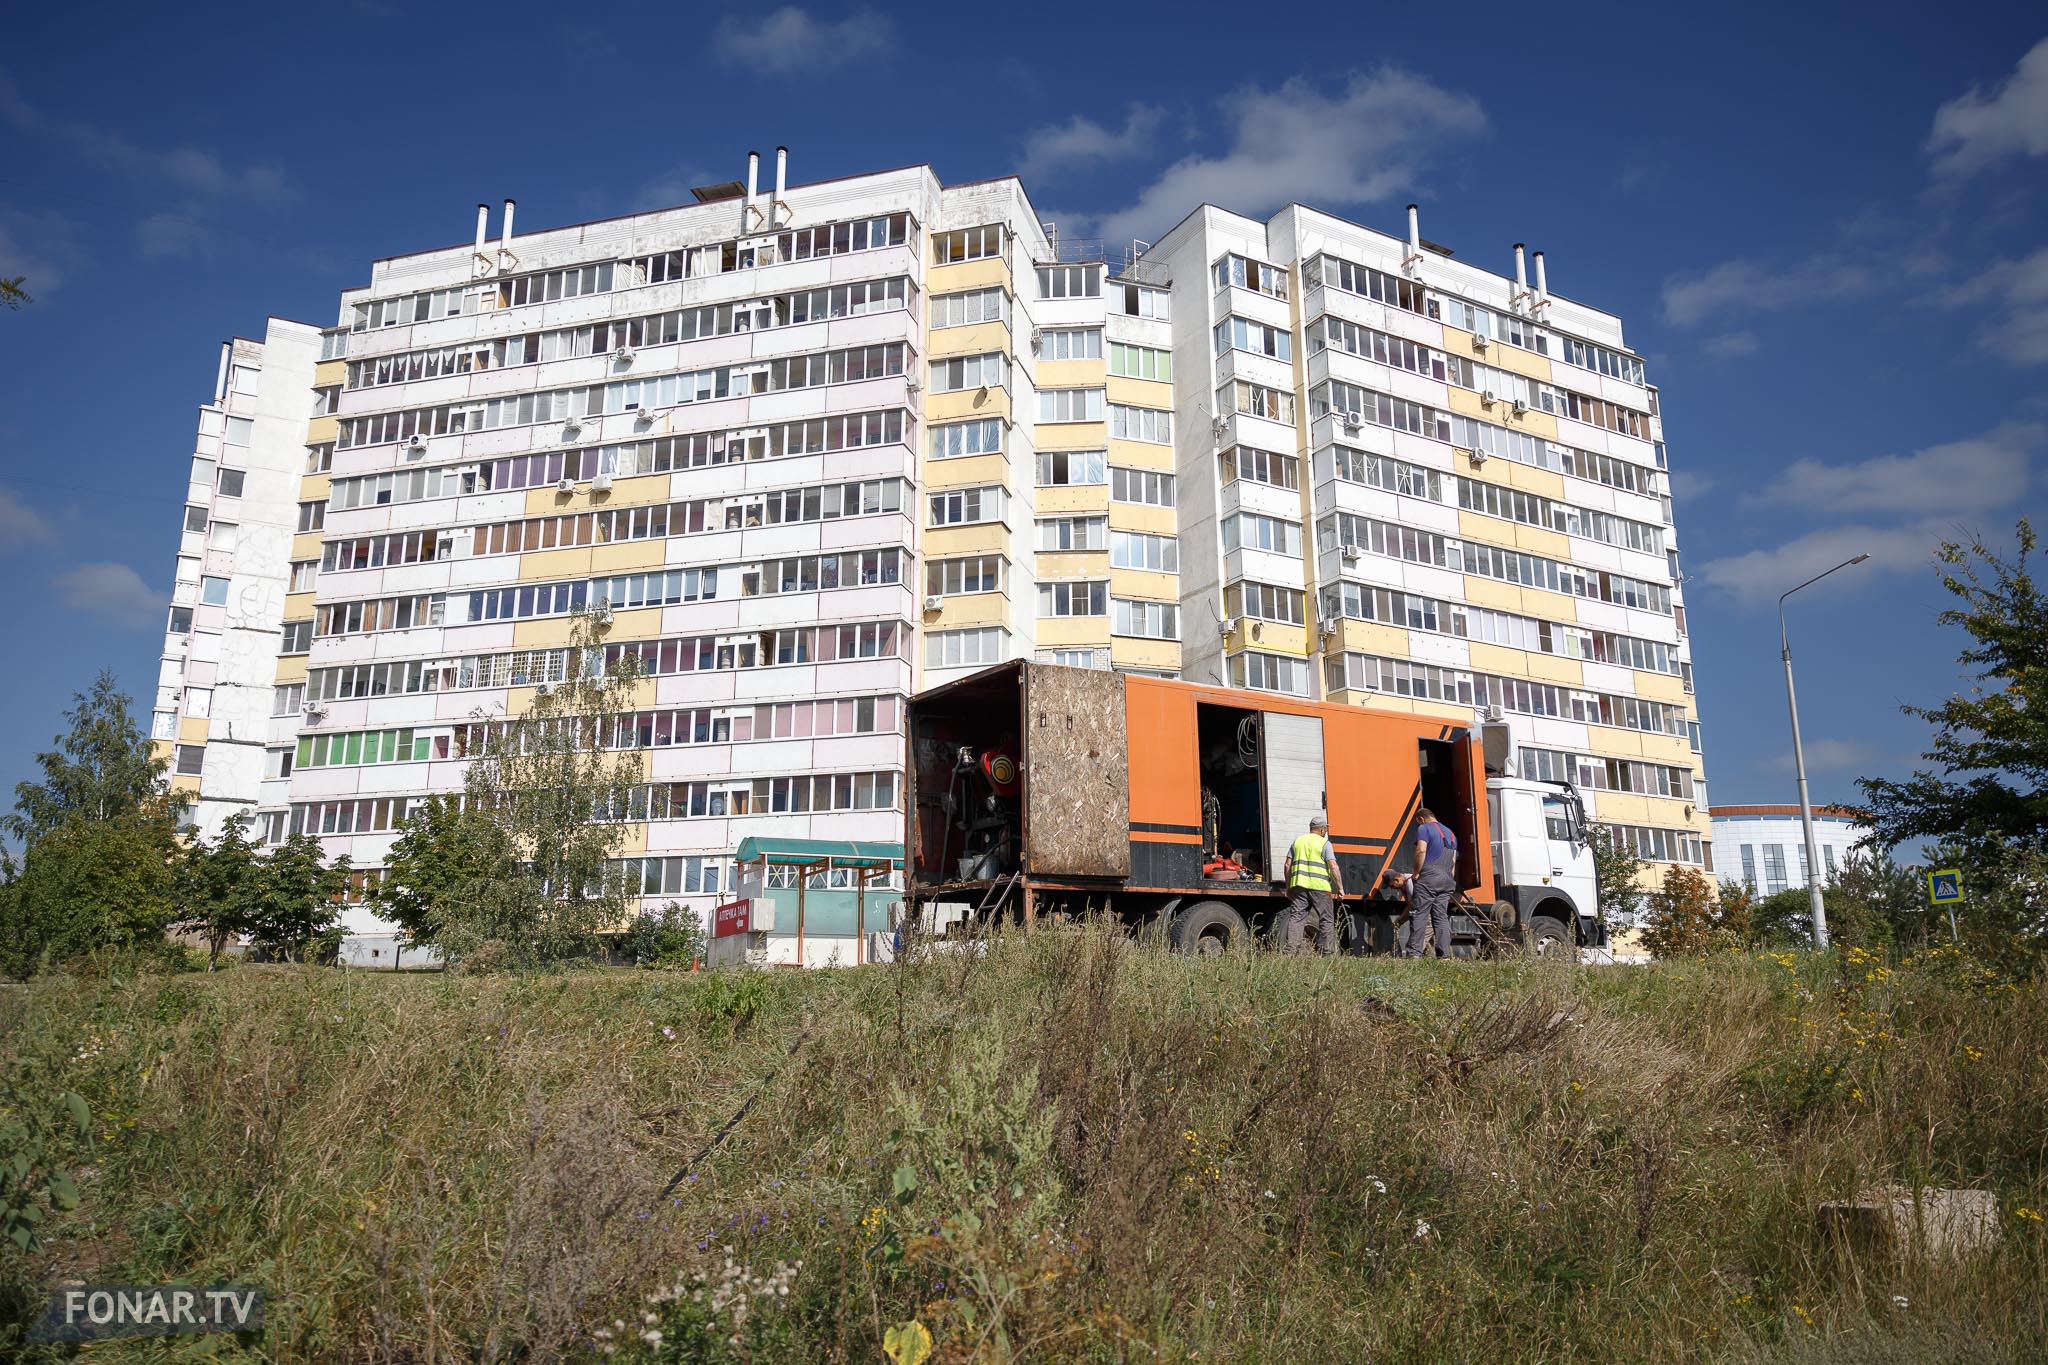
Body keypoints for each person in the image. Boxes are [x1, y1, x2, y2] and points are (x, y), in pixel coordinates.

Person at [1398, 808, 1458, 959]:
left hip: (1429, 877)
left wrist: (1416, 872)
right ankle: (1444, 956)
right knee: (1441, 917)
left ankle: (1414, 954)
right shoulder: (1451, 833)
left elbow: (1421, 850)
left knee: (1419, 914)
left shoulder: (1424, 828)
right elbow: (1453, 860)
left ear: (1421, 819)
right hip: (1447, 879)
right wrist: (1448, 878)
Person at [1281, 814, 1345, 955]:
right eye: (1326, 829)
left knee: (1296, 918)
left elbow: (1287, 865)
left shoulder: (1297, 842)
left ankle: (1290, 952)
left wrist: (1288, 887)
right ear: (1322, 830)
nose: (1326, 832)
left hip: (1299, 887)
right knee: (1326, 919)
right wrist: (1340, 888)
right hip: (1320, 887)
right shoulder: (1324, 844)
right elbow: (1333, 866)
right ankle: (1326, 953)